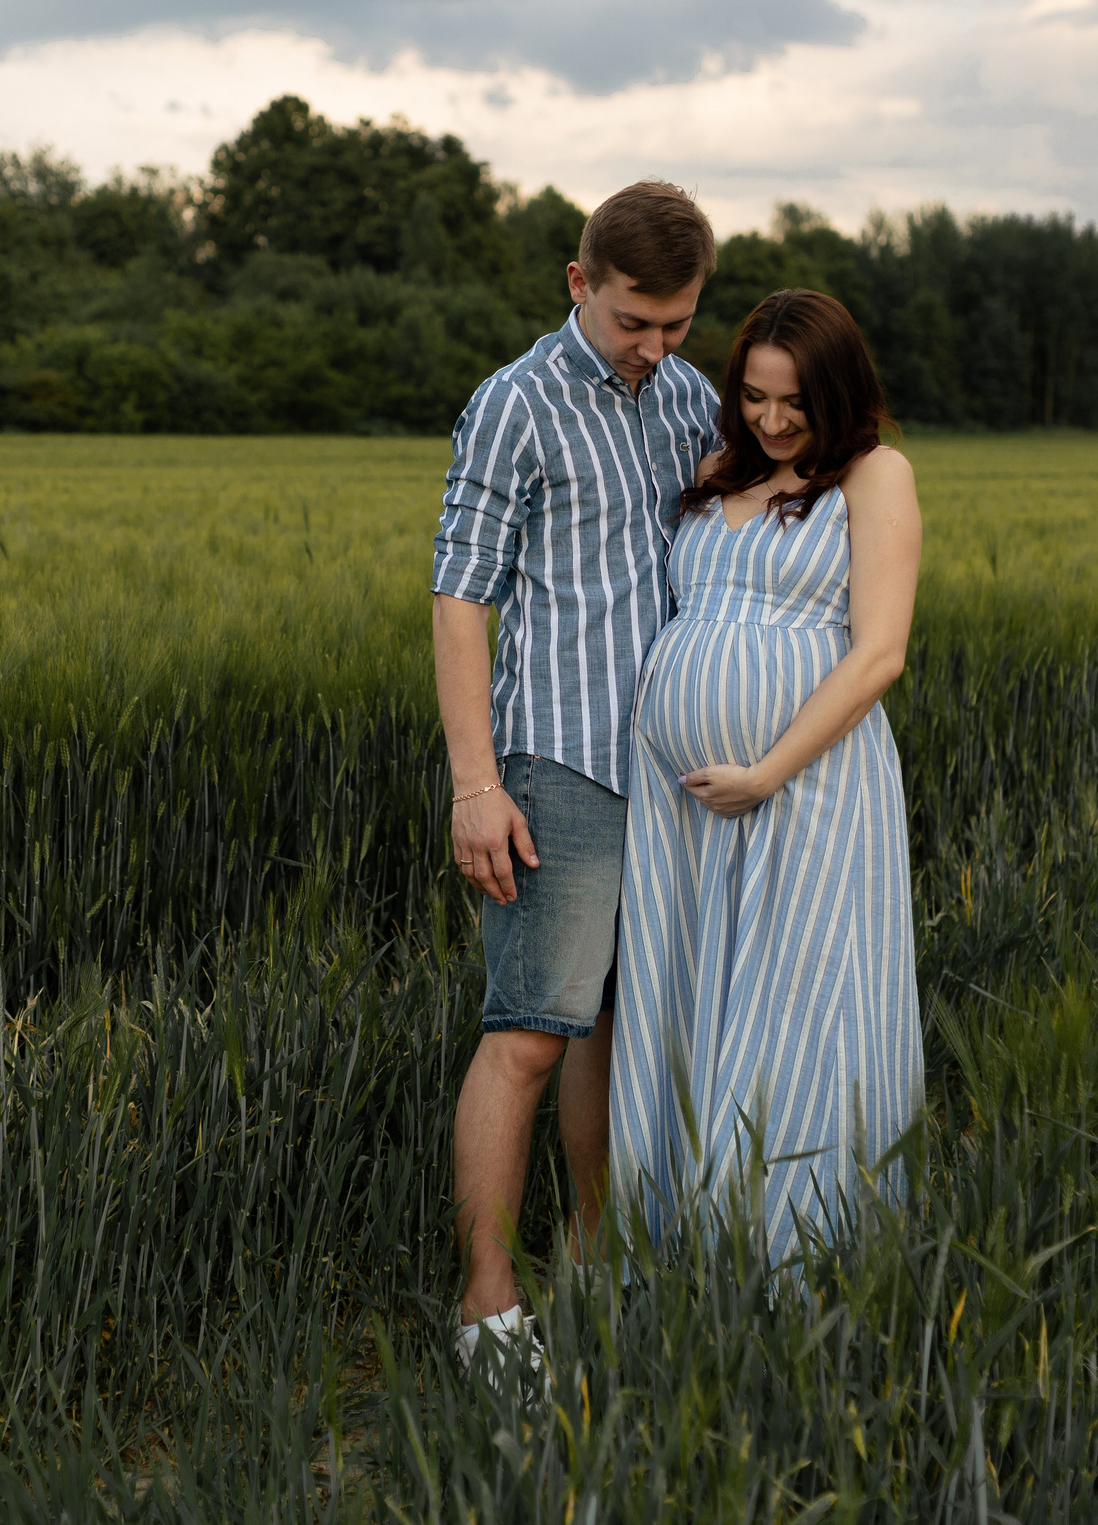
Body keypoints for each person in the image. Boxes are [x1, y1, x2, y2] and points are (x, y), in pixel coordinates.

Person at [431, 181, 720, 1368]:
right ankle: (488, 1311)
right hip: (559, 764)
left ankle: (599, 1267)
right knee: (533, 1035)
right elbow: (460, 601)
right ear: (578, 285)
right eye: (631, 322)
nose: (653, 349)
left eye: (676, 324)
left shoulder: (690, 396)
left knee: (616, 1033)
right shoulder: (515, 405)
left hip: (671, 775)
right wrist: (474, 785)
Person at [606, 288, 924, 1264]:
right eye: (753, 397)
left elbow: (877, 657)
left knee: (797, 998)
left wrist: (765, 771)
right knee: (690, 990)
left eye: (794, 403)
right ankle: (678, 1240)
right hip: (680, 806)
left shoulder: (875, 476)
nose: (773, 421)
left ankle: (799, 1255)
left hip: (806, 787)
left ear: (838, 395)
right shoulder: (712, 472)